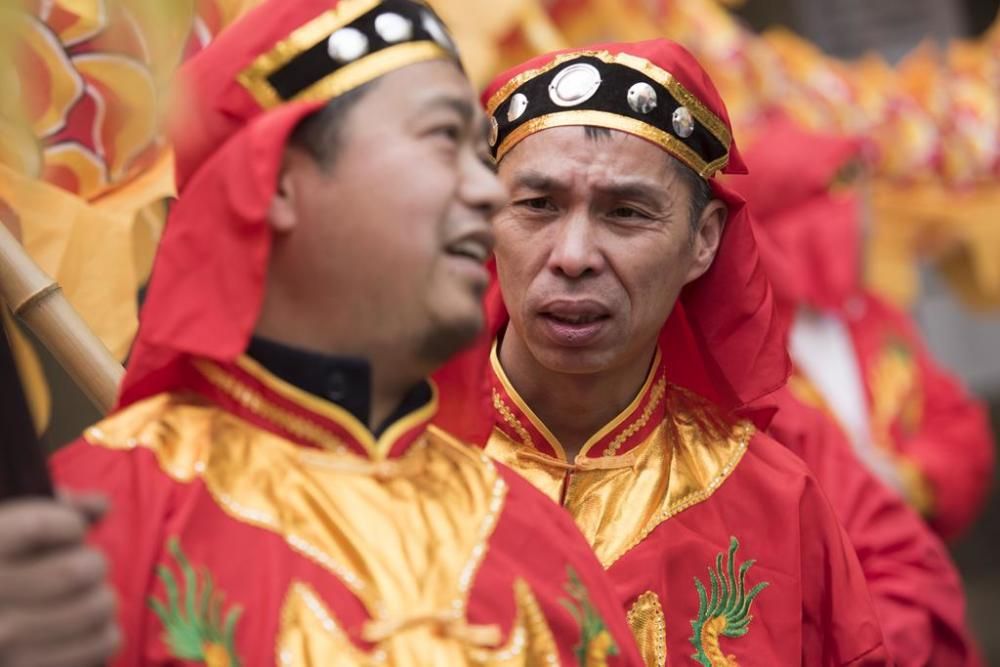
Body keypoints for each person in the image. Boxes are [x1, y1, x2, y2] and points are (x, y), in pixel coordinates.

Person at [37, 1, 646, 664]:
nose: (491, 194)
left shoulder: (538, 540)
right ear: (278, 178)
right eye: (445, 139)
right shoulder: (99, 534)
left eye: (486, 157)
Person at [434, 39, 889, 665]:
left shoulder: (774, 505)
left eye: (625, 213)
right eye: (537, 205)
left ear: (703, 241)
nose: (572, 256)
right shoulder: (393, 470)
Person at [730, 114, 986, 664]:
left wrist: (912, 478)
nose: (868, 230)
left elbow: (959, 428)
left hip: (913, 586)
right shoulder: (740, 348)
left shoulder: (879, 321)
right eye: (853, 216)